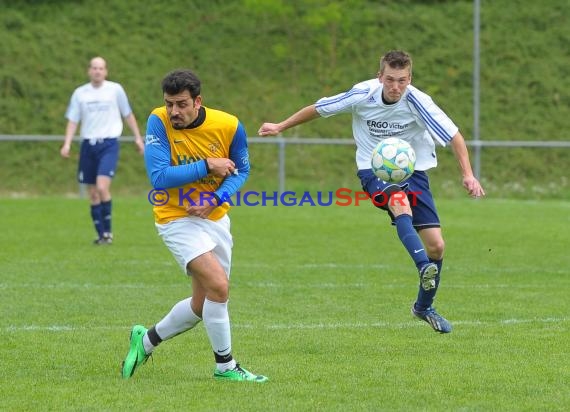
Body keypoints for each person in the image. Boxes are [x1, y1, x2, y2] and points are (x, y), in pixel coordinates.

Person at [258, 50, 485, 334]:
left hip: (413, 170)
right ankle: (421, 265)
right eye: (390, 79)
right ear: (380, 77)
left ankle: (424, 307)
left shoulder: (418, 101)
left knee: (437, 246)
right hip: (373, 169)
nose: (396, 87)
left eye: (402, 80)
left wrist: (468, 174)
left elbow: (454, 136)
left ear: (409, 79)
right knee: (399, 202)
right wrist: (280, 125)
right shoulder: (362, 94)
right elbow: (319, 108)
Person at [121, 69, 268, 382]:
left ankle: (145, 341)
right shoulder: (157, 121)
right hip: (175, 216)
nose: (174, 111)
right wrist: (208, 165)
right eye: (169, 103)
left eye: (182, 104)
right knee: (219, 285)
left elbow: (241, 171)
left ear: (197, 102)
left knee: (203, 305)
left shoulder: (229, 125)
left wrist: (216, 199)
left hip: (215, 217)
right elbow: (158, 177)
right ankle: (226, 367)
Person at [60, 56, 144, 245]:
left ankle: (109, 232)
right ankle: (101, 235)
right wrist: (67, 143)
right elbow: (73, 120)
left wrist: (138, 137)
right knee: (93, 193)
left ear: (106, 71)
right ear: (89, 70)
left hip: (109, 144)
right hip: (88, 145)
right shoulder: (80, 93)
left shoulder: (115, 90)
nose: (97, 71)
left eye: (101, 68)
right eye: (94, 68)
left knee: (102, 187)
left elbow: (127, 114)